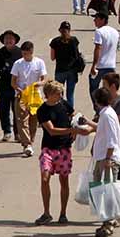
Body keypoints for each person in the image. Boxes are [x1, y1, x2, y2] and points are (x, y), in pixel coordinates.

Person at [34, 80, 77, 226]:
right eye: (58, 93)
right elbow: (51, 131)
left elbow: (74, 115)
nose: (60, 95)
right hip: (48, 148)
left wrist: (75, 126)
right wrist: (72, 130)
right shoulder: (42, 110)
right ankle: (46, 213)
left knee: (64, 181)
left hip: (64, 148)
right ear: (49, 95)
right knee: (45, 178)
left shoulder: (64, 104)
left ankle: (63, 213)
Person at [89, 86, 120, 237]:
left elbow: (111, 140)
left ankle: (108, 223)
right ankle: (108, 220)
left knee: (105, 192)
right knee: (100, 189)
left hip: (107, 158)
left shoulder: (107, 116)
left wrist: (107, 159)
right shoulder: (107, 114)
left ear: (97, 101)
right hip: (103, 157)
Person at [12, 41, 47, 158]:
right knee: (22, 120)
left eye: (27, 53)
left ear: (32, 52)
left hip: (35, 96)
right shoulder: (18, 63)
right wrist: (19, 90)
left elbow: (44, 79)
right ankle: (26, 144)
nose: (25, 55)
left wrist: (39, 84)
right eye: (23, 53)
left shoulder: (39, 62)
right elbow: (13, 82)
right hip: (21, 95)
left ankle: (30, 142)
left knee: (34, 120)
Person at [0, 30, 19, 143]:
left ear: (15, 40)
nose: (8, 40)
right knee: (3, 110)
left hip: (16, 87)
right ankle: (6, 132)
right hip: (2, 87)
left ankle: (18, 133)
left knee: (17, 111)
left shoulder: (20, 53)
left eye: (11, 38)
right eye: (6, 38)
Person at [48, 22, 82, 107]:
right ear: (69, 30)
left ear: (60, 30)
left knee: (59, 94)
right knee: (70, 95)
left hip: (60, 70)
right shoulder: (74, 40)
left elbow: (52, 57)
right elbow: (77, 55)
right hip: (72, 71)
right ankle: (70, 113)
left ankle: (61, 111)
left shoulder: (55, 41)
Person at [89, 12, 120, 103]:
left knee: (93, 89)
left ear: (103, 20)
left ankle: (98, 108)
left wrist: (94, 65)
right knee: (110, 89)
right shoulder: (115, 31)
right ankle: (110, 106)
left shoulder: (99, 31)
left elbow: (98, 48)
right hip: (111, 65)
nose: (94, 20)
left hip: (100, 65)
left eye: (96, 19)